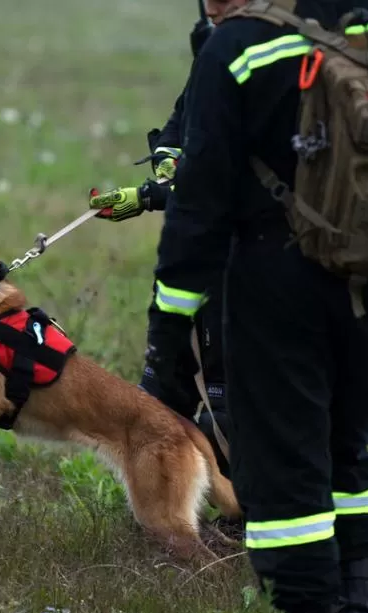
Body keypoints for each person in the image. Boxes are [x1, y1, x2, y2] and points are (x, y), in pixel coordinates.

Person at [106, 1, 368, 613]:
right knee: (347, 452)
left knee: (282, 473)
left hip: (276, 293)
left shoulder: (241, 44)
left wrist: (167, 332)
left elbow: (199, 208)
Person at [91, 0, 251, 486]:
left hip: (242, 256)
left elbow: (230, 175)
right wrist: (167, 152)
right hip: (200, 248)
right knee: (163, 391)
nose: (220, 9)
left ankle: (233, 510)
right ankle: (167, 503)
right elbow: (188, 119)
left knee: (224, 392)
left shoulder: (260, 57)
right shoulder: (214, 48)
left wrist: (148, 195)